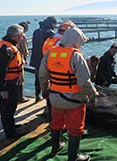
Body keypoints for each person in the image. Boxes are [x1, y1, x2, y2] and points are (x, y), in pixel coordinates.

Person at [39, 27, 99, 160]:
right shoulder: (76, 56)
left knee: (56, 123)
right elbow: (84, 82)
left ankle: (55, 147)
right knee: (75, 128)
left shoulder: (50, 53)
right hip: (74, 101)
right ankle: (74, 156)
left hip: (55, 98)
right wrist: (93, 95)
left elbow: (42, 75)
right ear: (75, 41)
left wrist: (45, 91)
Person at [0, 24, 25, 138]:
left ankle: (11, 125)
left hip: (11, 81)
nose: (21, 38)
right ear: (15, 36)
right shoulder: (6, 49)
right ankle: (10, 132)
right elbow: (2, 71)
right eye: (21, 36)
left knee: (11, 106)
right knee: (7, 108)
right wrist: (3, 89)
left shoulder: (5, 44)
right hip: (7, 83)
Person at [30, 16, 57, 102]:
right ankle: (47, 98)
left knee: (37, 78)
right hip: (46, 60)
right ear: (52, 23)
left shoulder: (36, 31)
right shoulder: (50, 33)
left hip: (36, 59)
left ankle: (37, 95)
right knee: (48, 79)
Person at [17, 21, 30, 104]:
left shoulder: (12, 35)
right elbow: (25, 49)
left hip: (13, 59)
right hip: (19, 59)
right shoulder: (22, 36)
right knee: (21, 79)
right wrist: (25, 58)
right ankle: (20, 97)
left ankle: (14, 96)